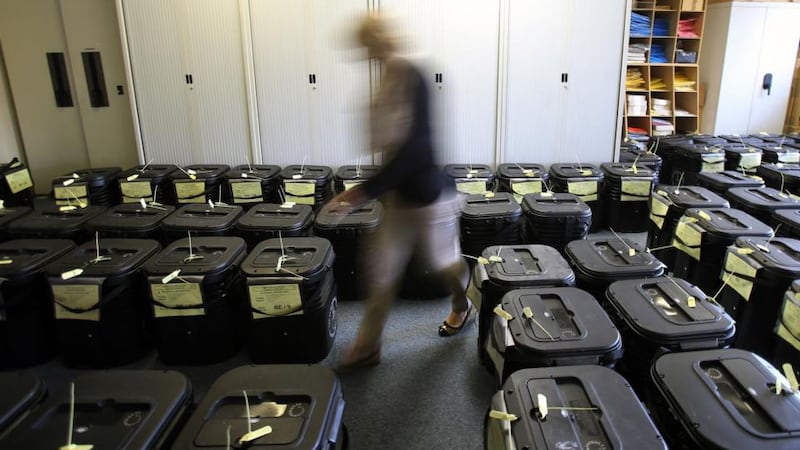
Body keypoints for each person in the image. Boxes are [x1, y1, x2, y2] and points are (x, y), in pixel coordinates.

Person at [329, 13, 474, 370]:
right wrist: (371, 188)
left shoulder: (414, 74)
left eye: (369, 46)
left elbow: (416, 151)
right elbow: (389, 146)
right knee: (382, 272)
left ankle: (463, 305)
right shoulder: (387, 79)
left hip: (427, 197)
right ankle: (367, 346)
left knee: (444, 264)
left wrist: (361, 192)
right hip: (397, 199)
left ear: (382, 40)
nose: (367, 54)